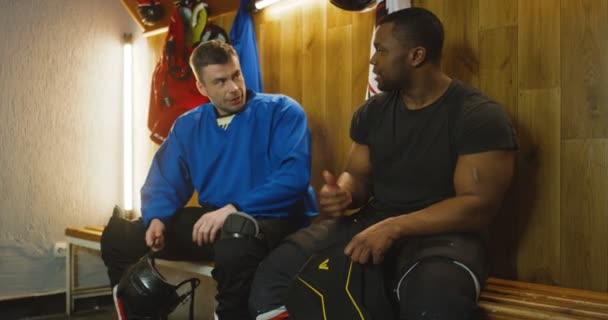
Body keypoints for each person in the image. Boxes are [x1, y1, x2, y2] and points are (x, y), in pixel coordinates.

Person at [249, 7, 517, 320]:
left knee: (435, 304)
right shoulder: (372, 112)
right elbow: (357, 176)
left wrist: (395, 227)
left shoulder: (477, 115)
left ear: (416, 55)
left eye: (381, 50)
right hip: (374, 222)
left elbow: (476, 206)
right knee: (276, 273)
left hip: (445, 236)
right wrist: (345, 193)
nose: (373, 61)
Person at [100, 40, 317, 320]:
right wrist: (156, 218)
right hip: (218, 220)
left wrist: (234, 208)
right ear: (202, 87)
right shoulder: (188, 125)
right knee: (120, 235)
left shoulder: (282, 111)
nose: (234, 88)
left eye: (236, 75)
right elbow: (165, 179)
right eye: (221, 81)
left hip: (275, 219)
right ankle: (140, 310)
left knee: (236, 236)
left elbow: (294, 178)